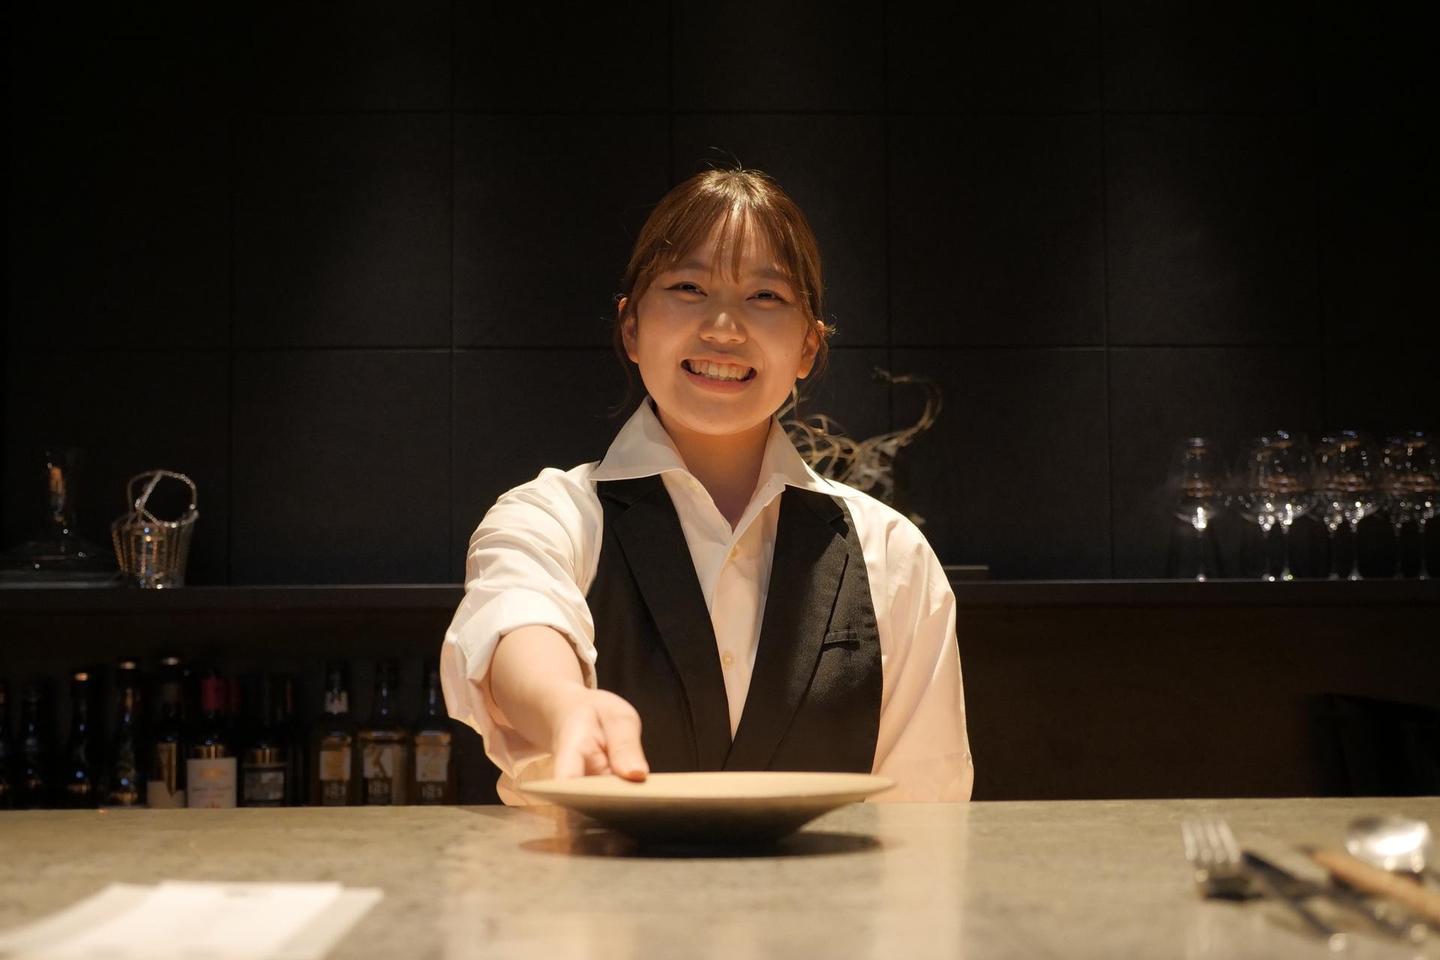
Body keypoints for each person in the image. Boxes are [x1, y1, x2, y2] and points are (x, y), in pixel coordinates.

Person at [440, 167, 973, 804]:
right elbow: (515, 620)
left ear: (808, 347)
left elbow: (925, 809)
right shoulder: (551, 515)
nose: (723, 328)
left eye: (766, 296)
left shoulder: (892, 553)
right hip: (584, 874)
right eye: (688, 287)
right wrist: (565, 704)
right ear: (631, 327)